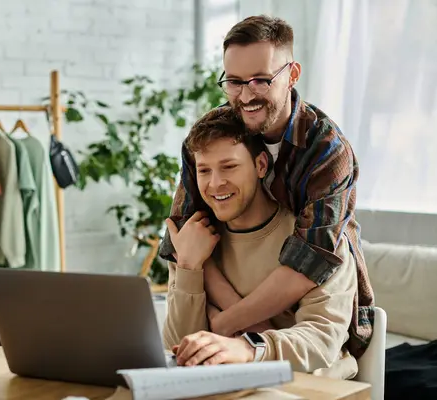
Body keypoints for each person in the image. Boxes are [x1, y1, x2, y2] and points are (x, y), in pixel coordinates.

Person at [158, 15, 374, 361]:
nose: (246, 96)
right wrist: (228, 318)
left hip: (315, 292)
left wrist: (230, 326)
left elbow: (313, 260)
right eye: (235, 82)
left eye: (260, 80)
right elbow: (186, 235)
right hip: (244, 300)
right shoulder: (216, 134)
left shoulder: (327, 152)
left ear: (291, 74)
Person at [162, 107, 359, 379]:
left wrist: (248, 348)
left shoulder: (319, 241)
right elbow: (178, 345)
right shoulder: (194, 242)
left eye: (229, 166)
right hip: (221, 386)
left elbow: (322, 341)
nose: (215, 184)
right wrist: (188, 266)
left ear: (261, 165)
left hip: (308, 388)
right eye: (204, 170)